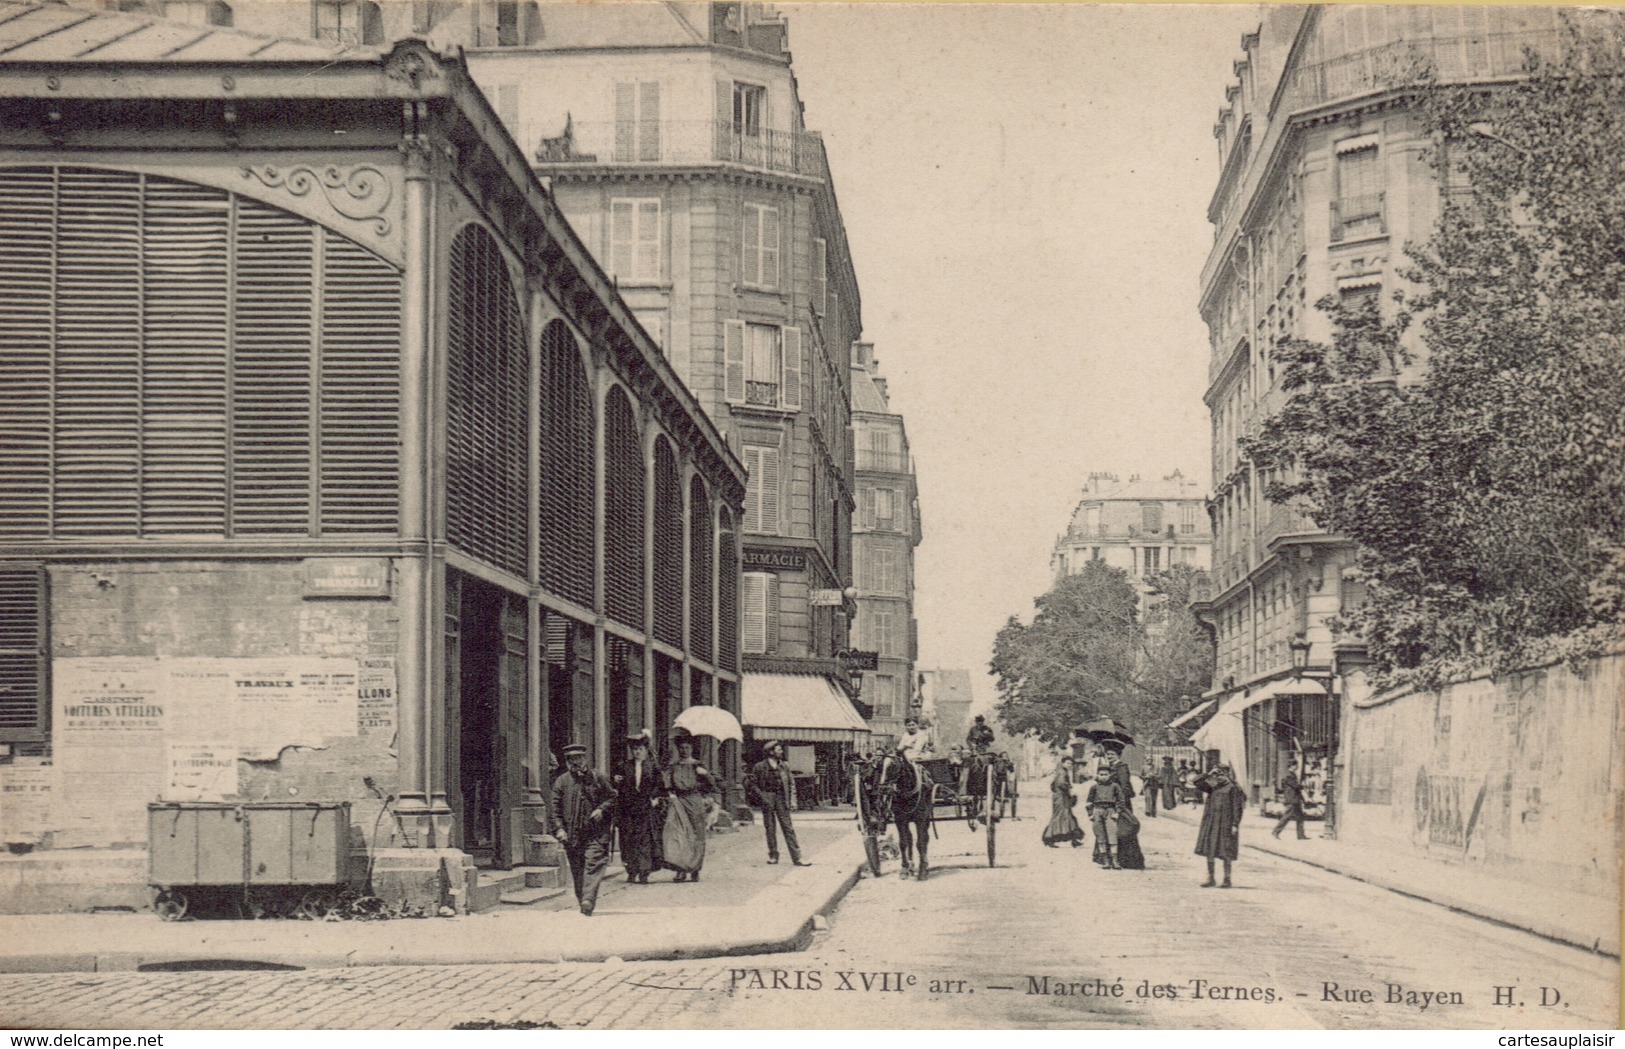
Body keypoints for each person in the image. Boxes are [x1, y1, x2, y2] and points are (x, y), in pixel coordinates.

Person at [549, 743, 617, 916]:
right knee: (578, 869)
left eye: (579, 758)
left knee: (593, 863)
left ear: (585, 759)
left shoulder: (598, 777)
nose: (575, 762)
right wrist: (559, 829)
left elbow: (613, 797)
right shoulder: (562, 781)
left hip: (596, 833)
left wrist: (601, 809)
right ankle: (584, 900)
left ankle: (588, 899)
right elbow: (554, 808)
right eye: (571, 759)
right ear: (567, 761)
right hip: (572, 834)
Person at [661, 729, 716, 882]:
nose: (684, 751)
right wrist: (670, 793)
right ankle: (680, 869)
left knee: (697, 834)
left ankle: (695, 868)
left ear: (692, 749)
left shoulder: (698, 765)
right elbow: (667, 784)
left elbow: (712, 785)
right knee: (677, 834)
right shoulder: (673, 766)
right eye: (682, 748)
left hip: (694, 801)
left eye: (687, 748)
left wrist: (705, 774)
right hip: (678, 801)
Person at [747, 740, 809, 866]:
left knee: (788, 828)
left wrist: (792, 801)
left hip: (782, 798)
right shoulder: (759, 767)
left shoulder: (785, 766)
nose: (781, 752)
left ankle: (797, 857)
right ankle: (773, 855)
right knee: (770, 828)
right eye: (778, 750)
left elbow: (791, 784)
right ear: (771, 752)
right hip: (767, 798)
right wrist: (762, 796)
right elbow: (752, 785)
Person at [613, 730, 662, 884]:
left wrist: (654, 798)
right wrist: (615, 779)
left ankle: (644, 872)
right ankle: (631, 871)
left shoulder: (652, 766)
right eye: (634, 749)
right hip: (627, 808)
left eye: (640, 749)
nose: (637, 752)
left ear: (645, 750)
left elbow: (659, 785)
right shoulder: (624, 766)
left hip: (645, 807)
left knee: (645, 840)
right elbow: (616, 786)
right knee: (628, 840)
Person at [1195, 764, 1247, 888]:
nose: (1219, 777)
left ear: (1227, 774)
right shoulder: (1212, 787)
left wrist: (1235, 824)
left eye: (1221, 773)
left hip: (1226, 823)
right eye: (1217, 774)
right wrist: (1208, 773)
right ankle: (1211, 878)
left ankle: (1227, 879)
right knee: (1210, 849)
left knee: (1226, 850)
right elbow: (1196, 781)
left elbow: (1237, 808)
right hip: (1212, 822)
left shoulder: (1233, 788)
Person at [1102, 744, 1145, 869]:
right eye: (1108, 754)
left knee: (1123, 830)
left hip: (1120, 803)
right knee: (1110, 829)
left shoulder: (1121, 767)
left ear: (1118, 755)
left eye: (1112, 754)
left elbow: (1124, 787)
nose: (1109, 756)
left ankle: (1127, 860)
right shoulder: (1110, 767)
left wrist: (1119, 801)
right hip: (1110, 802)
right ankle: (1111, 858)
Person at [1085, 766, 1125, 868]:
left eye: (1106, 774)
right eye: (1101, 774)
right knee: (1100, 837)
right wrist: (1090, 814)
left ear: (1110, 775)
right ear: (1097, 775)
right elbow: (1089, 801)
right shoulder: (1094, 787)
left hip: (1110, 811)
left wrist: (1117, 812)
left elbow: (1121, 801)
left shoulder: (1115, 786)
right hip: (1097, 811)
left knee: (1112, 836)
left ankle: (1115, 861)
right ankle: (1105, 861)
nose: (1103, 777)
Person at [1042, 757, 1084, 847]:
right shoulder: (1062, 772)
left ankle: (1074, 840)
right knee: (1060, 817)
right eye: (1068, 763)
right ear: (1063, 763)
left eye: (1071, 764)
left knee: (1068, 817)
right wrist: (1069, 791)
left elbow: (1053, 785)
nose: (1070, 765)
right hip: (1061, 798)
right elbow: (1061, 784)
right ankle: (1049, 839)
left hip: (1061, 797)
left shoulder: (1061, 771)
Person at [1272, 768, 1308, 841]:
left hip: (1296, 799)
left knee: (1300, 817)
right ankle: (1276, 831)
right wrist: (1301, 786)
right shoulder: (1288, 775)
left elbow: (1296, 788)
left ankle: (1301, 835)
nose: (1296, 767)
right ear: (1292, 766)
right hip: (1292, 799)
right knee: (1287, 816)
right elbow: (1295, 786)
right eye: (1296, 766)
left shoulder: (1292, 775)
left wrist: (1302, 799)